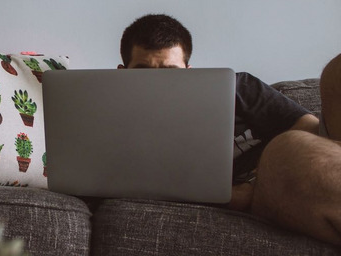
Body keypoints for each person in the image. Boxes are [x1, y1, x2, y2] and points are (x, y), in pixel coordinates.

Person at [118, 14, 341, 245]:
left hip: (286, 169)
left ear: (189, 70)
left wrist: (251, 184)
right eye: (143, 72)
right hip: (276, 186)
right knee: (285, 151)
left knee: (336, 73)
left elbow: (310, 127)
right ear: (122, 74)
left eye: (171, 72)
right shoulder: (112, 123)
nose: (158, 87)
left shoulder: (237, 87)